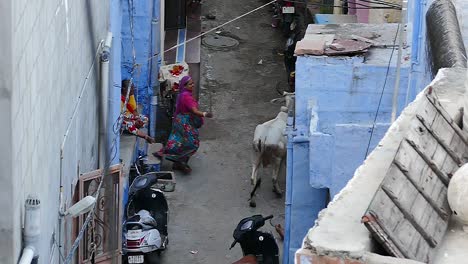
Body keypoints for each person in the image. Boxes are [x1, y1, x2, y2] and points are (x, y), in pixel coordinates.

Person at [153, 75, 212, 174]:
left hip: (179, 120)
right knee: (192, 143)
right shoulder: (186, 97)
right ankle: (179, 161)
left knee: (178, 140)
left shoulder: (182, 94)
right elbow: (194, 110)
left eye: (193, 83)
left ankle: (176, 160)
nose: (193, 85)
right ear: (185, 86)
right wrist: (205, 114)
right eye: (190, 84)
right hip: (185, 122)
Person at [121, 79, 155, 144]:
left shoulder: (131, 95)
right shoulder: (119, 100)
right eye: (131, 88)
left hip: (130, 116)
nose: (133, 89)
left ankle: (136, 126)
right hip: (123, 119)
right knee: (129, 126)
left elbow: (134, 110)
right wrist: (133, 121)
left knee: (145, 119)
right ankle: (145, 136)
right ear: (124, 89)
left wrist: (137, 119)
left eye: (133, 87)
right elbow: (122, 117)